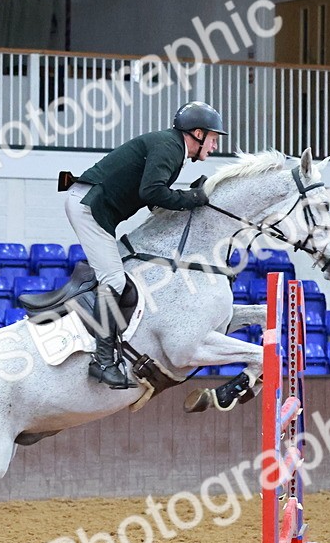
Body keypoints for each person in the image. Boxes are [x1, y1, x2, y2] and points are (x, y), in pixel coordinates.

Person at [64, 101, 228, 389]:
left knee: (116, 275)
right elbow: (152, 191)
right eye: (213, 139)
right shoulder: (170, 147)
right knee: (114, 280)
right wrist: (195, 198)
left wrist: (190, 196)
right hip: (88, 206)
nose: (214, 146)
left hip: (92, 205)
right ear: (198, 133)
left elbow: (154, 199)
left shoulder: (171, 148)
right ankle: (102, 361)